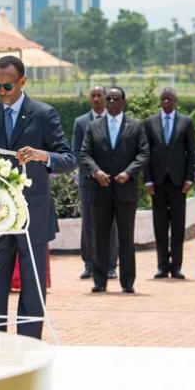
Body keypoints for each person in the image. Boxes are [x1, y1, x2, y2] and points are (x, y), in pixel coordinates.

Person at [0, 55, 75, 339]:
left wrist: (43, 156)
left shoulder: (43, 114)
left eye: (8, 86)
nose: (2, 92)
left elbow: (69, 159)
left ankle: (29, 345)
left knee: (32, 286)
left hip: (34, 215)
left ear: (23, 82)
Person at [79, 87, 149, 293]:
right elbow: (84, 154)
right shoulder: (93, 126)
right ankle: (99, 281)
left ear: (123, 102)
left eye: (115, 98)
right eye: (108, 98)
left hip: (125, 189)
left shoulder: (135, 126)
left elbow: (143, 154)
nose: (110, 102)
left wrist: (128, 172)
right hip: (99, 190)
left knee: (126, 237)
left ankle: (128, 282)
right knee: (100, 237)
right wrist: (96, 172)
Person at [143, 87, 195, 280]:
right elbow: (146, 153)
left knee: (178, 225)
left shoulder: (185, 122)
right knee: (160, 225)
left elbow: (191, 152)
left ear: (176, 101)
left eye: (169, 99)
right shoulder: (150, 122)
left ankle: (176, 267)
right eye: (164, 99)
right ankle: (162, 266)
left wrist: (189, 178)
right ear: (160, 101)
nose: (166, 102)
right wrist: (147, 179)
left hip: (178, 182)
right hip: (157, 182)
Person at [71, 85, 118, 280]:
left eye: (99, 95)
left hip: (111, 181)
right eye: (93, 96)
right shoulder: (80, 122)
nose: (96, 99)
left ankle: (110, 265)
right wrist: (93, 172)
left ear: (106, 98)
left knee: (111, 223)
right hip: (89, 181)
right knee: (89, 223)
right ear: (89, 99)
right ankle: (89, 264)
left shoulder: (114, 120)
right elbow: (76, 153)